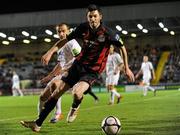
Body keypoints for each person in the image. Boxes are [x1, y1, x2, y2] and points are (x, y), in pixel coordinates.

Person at [20, 4, 134, 132]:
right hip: (78, 65)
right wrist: (50, 51)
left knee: (77, 92)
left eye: (95, 16)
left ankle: (75, 107)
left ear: (100, 17)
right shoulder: (83, 28)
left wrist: (127, 68)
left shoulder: (108, 33)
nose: (92, 19)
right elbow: (65, 40)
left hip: (93, 70)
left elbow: (122, 48)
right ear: (87, 17)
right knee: (57, 92)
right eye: (90, 16)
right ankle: (37, 124)